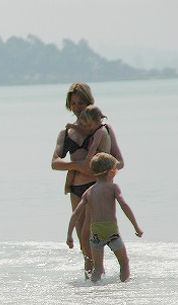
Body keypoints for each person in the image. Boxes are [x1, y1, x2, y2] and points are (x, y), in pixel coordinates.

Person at [52, 83, 124, 277]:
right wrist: (77, 165)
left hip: (96, 188)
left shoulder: (102, 129)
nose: (77, 107)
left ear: (89, 102)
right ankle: (91, 285)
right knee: (83, 243)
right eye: (73, 103)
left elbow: (120, 162)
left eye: (81, 102)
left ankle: (100, 278)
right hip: (76, 189)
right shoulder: (66, 133)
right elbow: (55, 162)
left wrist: (102, 169)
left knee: (90, 236)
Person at [66, 153, 143, 282]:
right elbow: (124, 205)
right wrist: (136, 227)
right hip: (110, 230)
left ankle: (93, 291)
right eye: (115, 171)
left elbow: (76, 214)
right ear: (110, 172)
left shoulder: (89, 191)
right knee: (124, 263)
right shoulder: (113, 187)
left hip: (95, 232)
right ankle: (125, 288)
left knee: (98, 268)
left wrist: (69, 235)